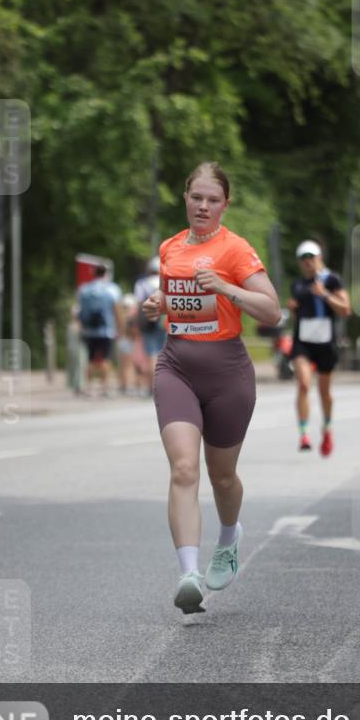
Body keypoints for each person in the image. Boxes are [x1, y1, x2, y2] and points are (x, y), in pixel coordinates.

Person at [142, 162, 281, 614]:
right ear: (185, 197)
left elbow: (271, 311)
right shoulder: (170, 247)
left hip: (227, 373)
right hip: (176, 364)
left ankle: (229, 536)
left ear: (225, 204)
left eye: (213, 200)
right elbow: (175, 300)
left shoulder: (236, 250)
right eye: (196, 197)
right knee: (184, 469)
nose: (203, 206)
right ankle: (188, 574)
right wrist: (158, 304)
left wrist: (225, 286)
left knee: (222, 476)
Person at [287, 240, 351, 456]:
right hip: (303, 342)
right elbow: (297, 312)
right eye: (303, 259)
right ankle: (304, 434)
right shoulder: (296, 284)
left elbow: (346, 309)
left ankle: (327, 428)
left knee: (325, 393)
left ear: (319, 258)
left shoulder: (331, 280)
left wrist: (325, 295)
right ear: (299, 262)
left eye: (311, 258)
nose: (308, 263)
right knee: (304, 384)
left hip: (326, 343)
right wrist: (293, 308)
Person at [76, 264, 123, 395]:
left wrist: (80, 326)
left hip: (88, 330)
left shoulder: (84, 289)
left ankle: (89, 388)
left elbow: (79, 311)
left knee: (90, 359)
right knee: (105, 359)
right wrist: (120, 328)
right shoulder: (112, 289)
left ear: (94, 273)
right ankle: (105, 388)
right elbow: (116, 310)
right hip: (107, 330)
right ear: (106, 274)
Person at [134, 256, 167, 395]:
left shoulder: (142, 284)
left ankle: (152, 387)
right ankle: (164, 387)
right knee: (164, 354)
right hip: (165, 321)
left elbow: (138, 305)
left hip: (148, 321)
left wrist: (136, 324)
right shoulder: (165, 282)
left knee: (152, 354)